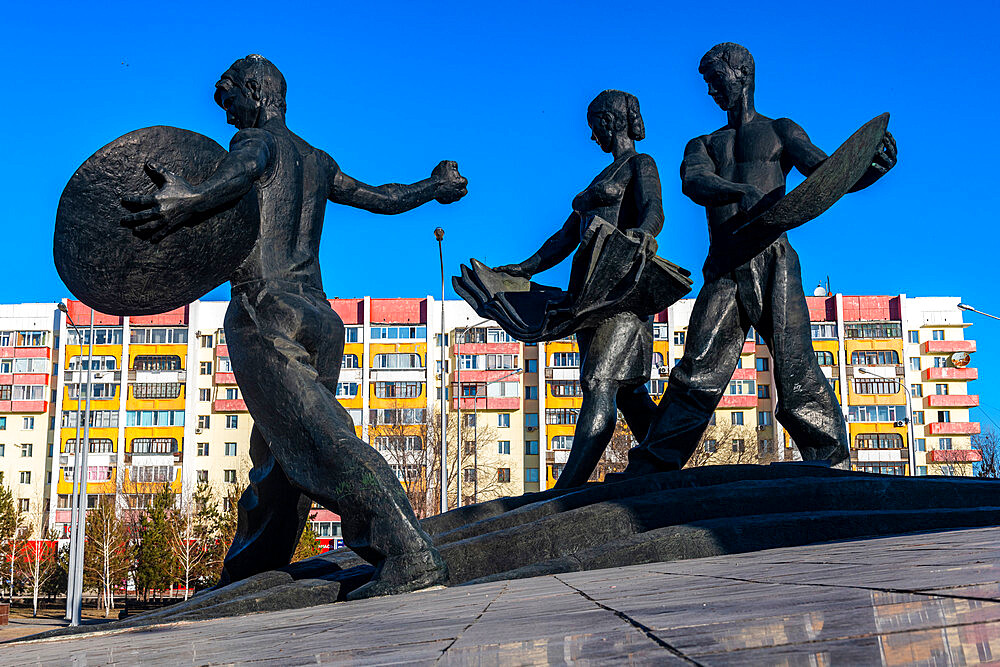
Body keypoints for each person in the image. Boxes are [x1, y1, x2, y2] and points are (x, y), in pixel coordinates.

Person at [122, 55, 468, 598]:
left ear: (257, 93)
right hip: (321, 320)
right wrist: (432, 186)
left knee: (319, 439)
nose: (227, 113)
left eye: (230, 98)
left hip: (266, 308)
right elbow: (378, 197)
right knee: (279, 456)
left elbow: (240, 171)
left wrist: (188, 201)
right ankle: (249, 572)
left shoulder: (256, 144)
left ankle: (408, 553)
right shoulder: (317, 159)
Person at [618, 43, 896, 476]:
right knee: (698, 370)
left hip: (774, 261)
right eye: (706, 82)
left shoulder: (782, 131)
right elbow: (694, 182)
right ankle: (654, 464)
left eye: (715, 79)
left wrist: (871, 168)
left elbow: (826, 175)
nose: (710, 90)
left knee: (795, 365)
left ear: (741, 73)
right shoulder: (705, 143)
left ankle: (833, 463)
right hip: (727, 266)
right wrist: (739, 191)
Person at [495, 90, 667, 488]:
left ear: (611, 121)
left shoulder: (640, 163)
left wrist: (644, 234)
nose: (593, 138)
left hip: (620, 293)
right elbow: (564, 238)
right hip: (589, 300)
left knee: (598, 384)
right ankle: (665, 459)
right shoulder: (600, 178)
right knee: (628, 395)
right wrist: (521, 269)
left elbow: (653, 210)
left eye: (595, 128)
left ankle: (569, 486)